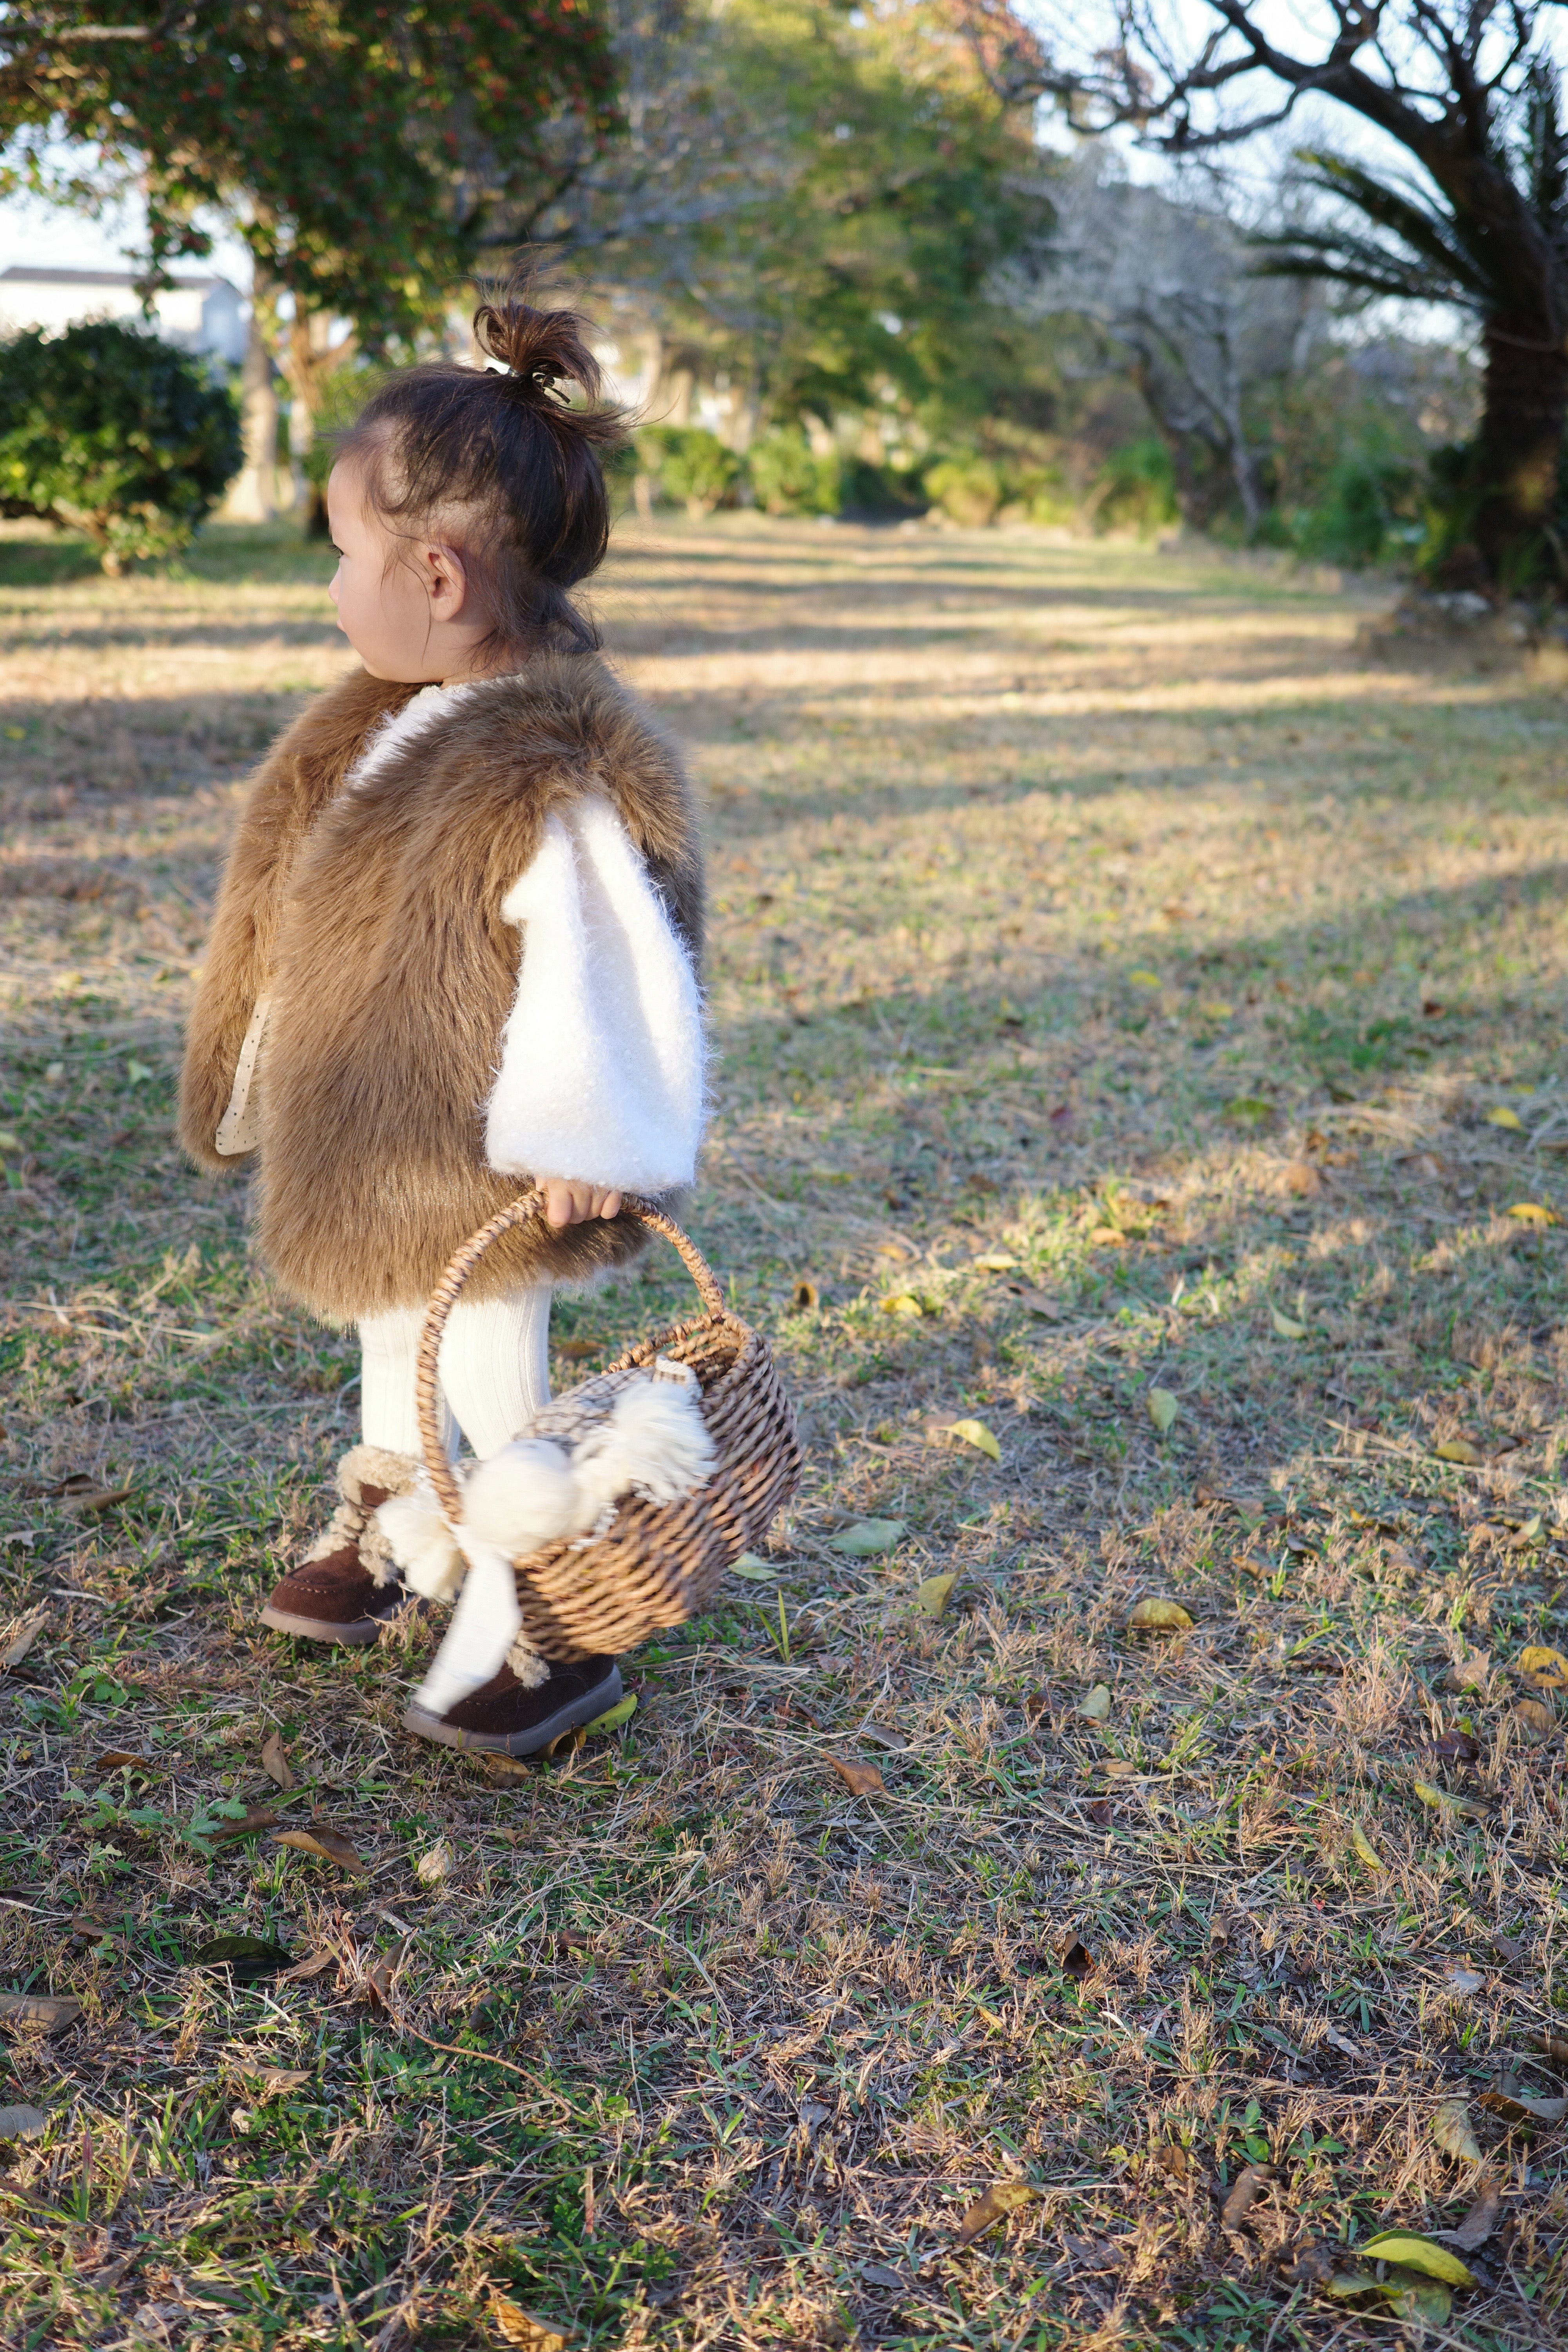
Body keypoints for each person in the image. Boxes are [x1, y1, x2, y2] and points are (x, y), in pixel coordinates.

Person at [178, 290, 706, 1756]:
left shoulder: (540, 759)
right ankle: (404, 1513)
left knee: (487, 1371)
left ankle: (541, 1617)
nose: (334, 591)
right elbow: (309, 904)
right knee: (389, 1340)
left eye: (345, 558)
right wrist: (258, 1070)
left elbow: (607, 954)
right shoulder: (389, 715)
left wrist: (588, 1135)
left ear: (435, 572)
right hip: (372, 1134)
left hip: (484, 1155)